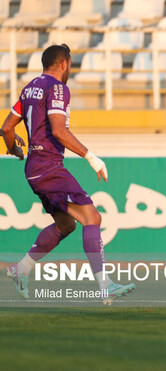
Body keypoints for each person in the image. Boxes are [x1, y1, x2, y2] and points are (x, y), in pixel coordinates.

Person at [2, 44, 135, 305]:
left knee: (66, 224)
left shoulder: (29, 88)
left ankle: (22, 269)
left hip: (34, 167)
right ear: (64, 64)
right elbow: (59, 130)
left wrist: (15, 150)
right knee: (92, 217)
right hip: (49, 166)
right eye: (71, 64)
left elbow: (7, 127)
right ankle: (105, 285)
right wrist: (91, 157)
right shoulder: (58, 87)